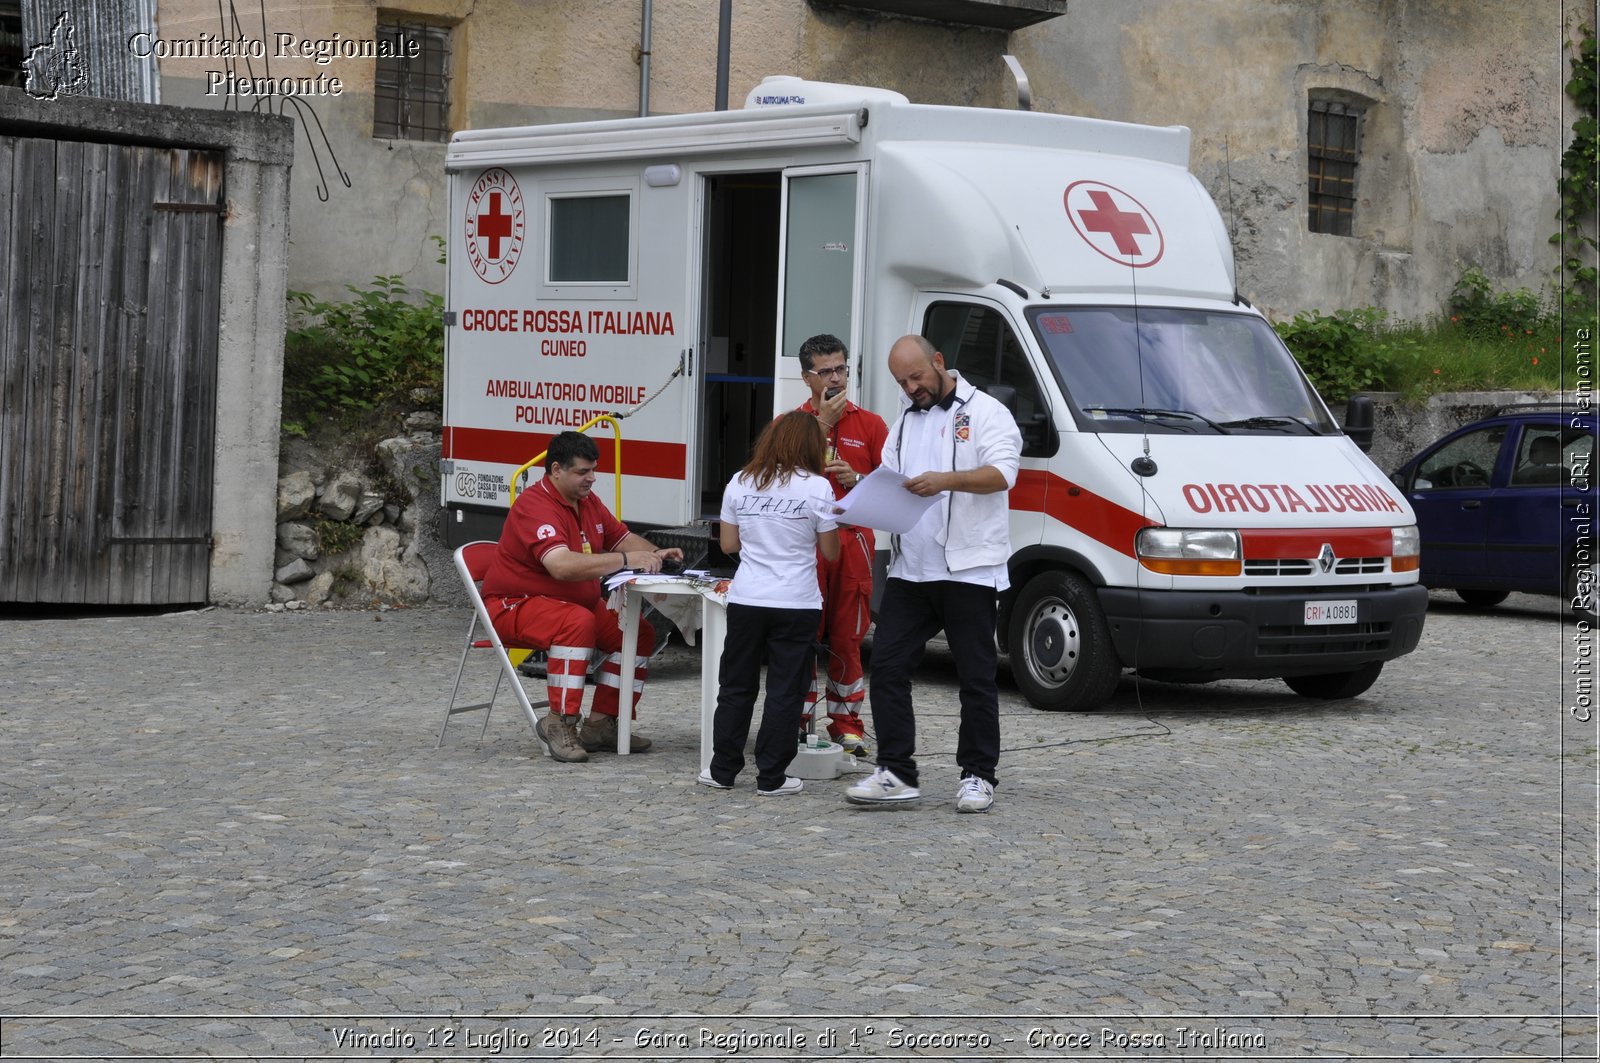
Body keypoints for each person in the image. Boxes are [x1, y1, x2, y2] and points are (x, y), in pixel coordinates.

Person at [845, 335, 1022, 813]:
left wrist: (946, 481)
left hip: (969, 567)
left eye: (917, 376)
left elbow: (1004, 474)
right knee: (886, 666)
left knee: (976, 677)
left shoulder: (987, 412)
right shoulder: (903, 421)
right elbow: (892, 480)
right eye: (902, 381)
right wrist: (861, 495)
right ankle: (896, 772)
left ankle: (978, 775)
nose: (911, 387)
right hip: (912, 568)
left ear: (939, 362)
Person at [480, 431, 684, 763]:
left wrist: (657, 553)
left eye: (593, 470)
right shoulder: (534, 505)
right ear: (556, 469)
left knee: (638, 633)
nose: (591, 478)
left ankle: (601, 724)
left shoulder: (586, 501)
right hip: (514, 604)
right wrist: (626, 561)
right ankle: (559, 721)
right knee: (577, 622)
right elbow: (560, 566)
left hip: (570, 603)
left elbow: (621, 538)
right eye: (582, 472)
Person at [700, 412, 841, 796]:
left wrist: (762, 540)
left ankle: (722, 770)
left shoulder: (740, 482)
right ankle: (771, 777)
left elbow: (728, 545)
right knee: (785, 690)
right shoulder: (818, 488)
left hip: (747, 596)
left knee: (735, 685)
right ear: (812, 446)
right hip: (796, 601)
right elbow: (829, 552)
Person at [795, 333, 888, 758]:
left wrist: (860, 481)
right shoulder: (790, 425)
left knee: (848, 637)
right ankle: (795, 721)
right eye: (826, 371)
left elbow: (893, 489)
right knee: (799, 634)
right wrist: (823, 427)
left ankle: (847, 725)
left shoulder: (871, 424)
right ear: (806, 378)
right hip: (804, 544)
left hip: (852, 541)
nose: (836, 379)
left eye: (841, 369)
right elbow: (775, 480)